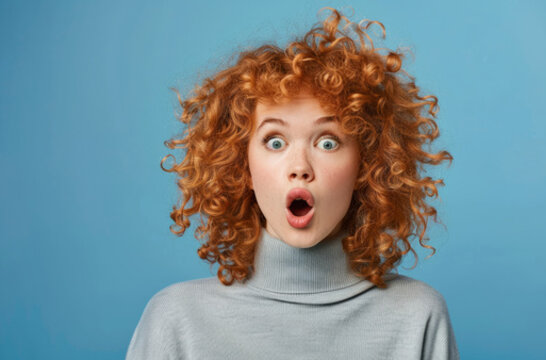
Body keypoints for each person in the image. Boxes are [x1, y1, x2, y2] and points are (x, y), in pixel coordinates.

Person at [126, 8, 458, 360]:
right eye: (275, 142)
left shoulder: (417, 317)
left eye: (327, 142)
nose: (300, 167)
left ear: (366, 167)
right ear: (242, 166)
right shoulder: (176, 321)